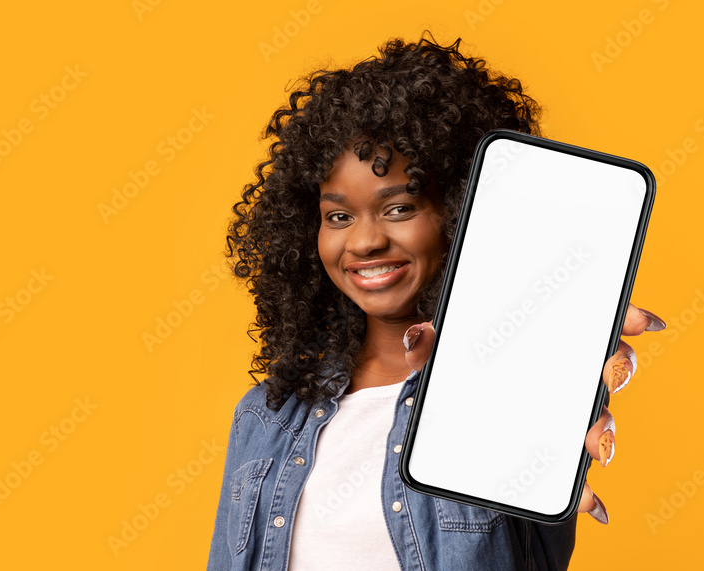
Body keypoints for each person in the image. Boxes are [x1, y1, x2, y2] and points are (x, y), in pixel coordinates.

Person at [206, 30, 666, 571]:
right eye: (338, 216)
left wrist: (554, 375)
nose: (364, 241)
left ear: (461, 208)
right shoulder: (266, 415)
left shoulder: (502, 394)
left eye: (399, 208)